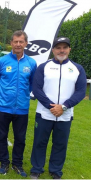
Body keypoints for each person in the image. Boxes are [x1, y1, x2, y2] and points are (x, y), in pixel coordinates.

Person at [30, 37, 86, 179]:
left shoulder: (77, 68)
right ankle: (36, 169)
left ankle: (55, 171)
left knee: (60, 144)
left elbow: (81, 92)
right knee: (39, 142)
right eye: (58, 47)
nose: (62, 50)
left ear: (69, 49)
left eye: (64, 47)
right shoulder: (44, 67)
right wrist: (51, 106)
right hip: (44, 113)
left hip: (65, 115)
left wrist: (64, 107)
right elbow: (36, 89)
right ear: (53, 50)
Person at [0, 30, 37, 177]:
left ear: (26, 44)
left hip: (22, 108)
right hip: (3, 107)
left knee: (20, 138)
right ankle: (4, 162)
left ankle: (17, 164)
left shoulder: (31, 63)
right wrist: (2, 96)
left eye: (21, 42)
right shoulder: (1, 61)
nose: (18, 44)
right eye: (15, 41)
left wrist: (23, 95)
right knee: (2, 136)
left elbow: (31, 83)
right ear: (11, 43)